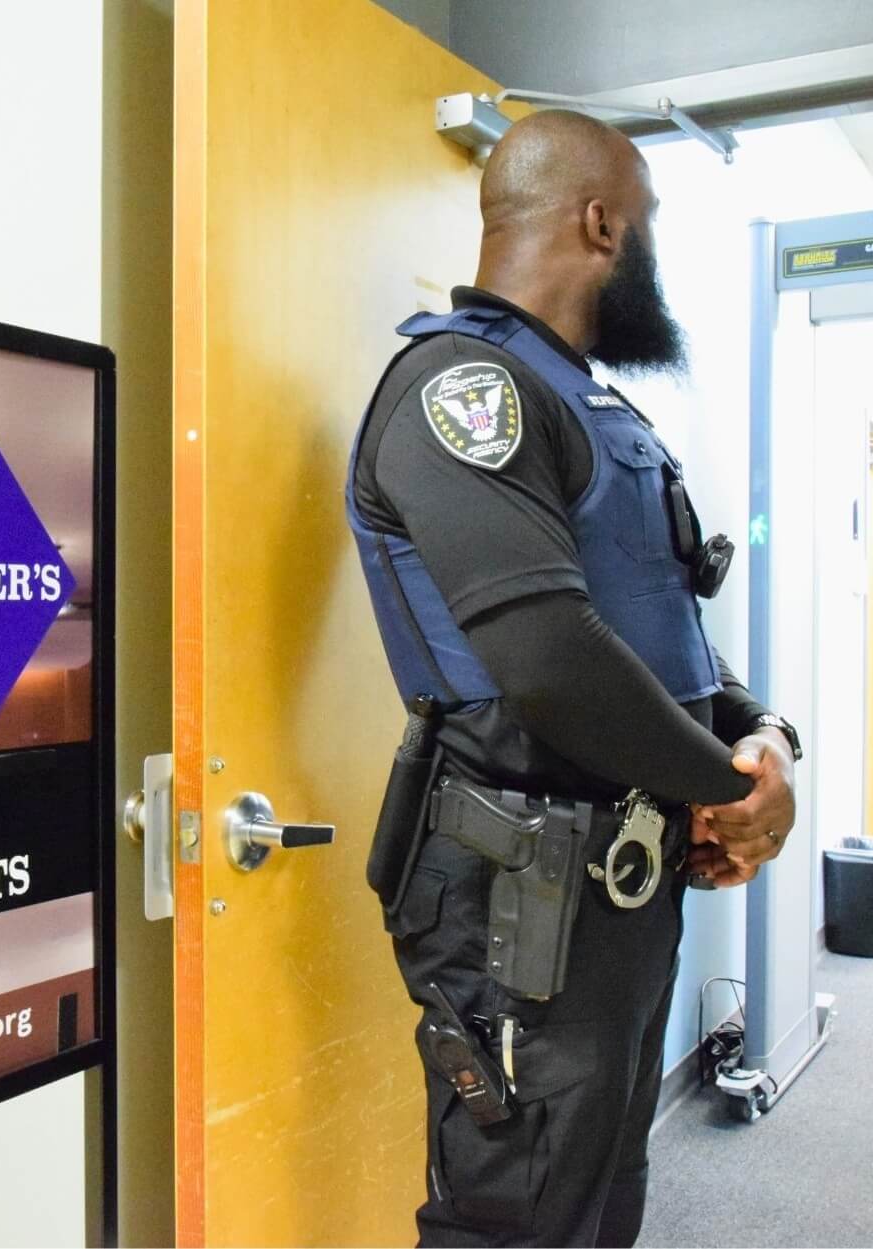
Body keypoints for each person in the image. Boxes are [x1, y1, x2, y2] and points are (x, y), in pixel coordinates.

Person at [346, 109, 801, 1248]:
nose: (648, 258)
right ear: (601, 223)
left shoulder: (585, 401)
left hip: (619, 885)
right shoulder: (460, 393)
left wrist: (764, 739)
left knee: (598, 1192)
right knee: (517, 1212)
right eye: (643, 228)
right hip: (518, 897)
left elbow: (659, 626)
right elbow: (547, 655)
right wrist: (724, 791)